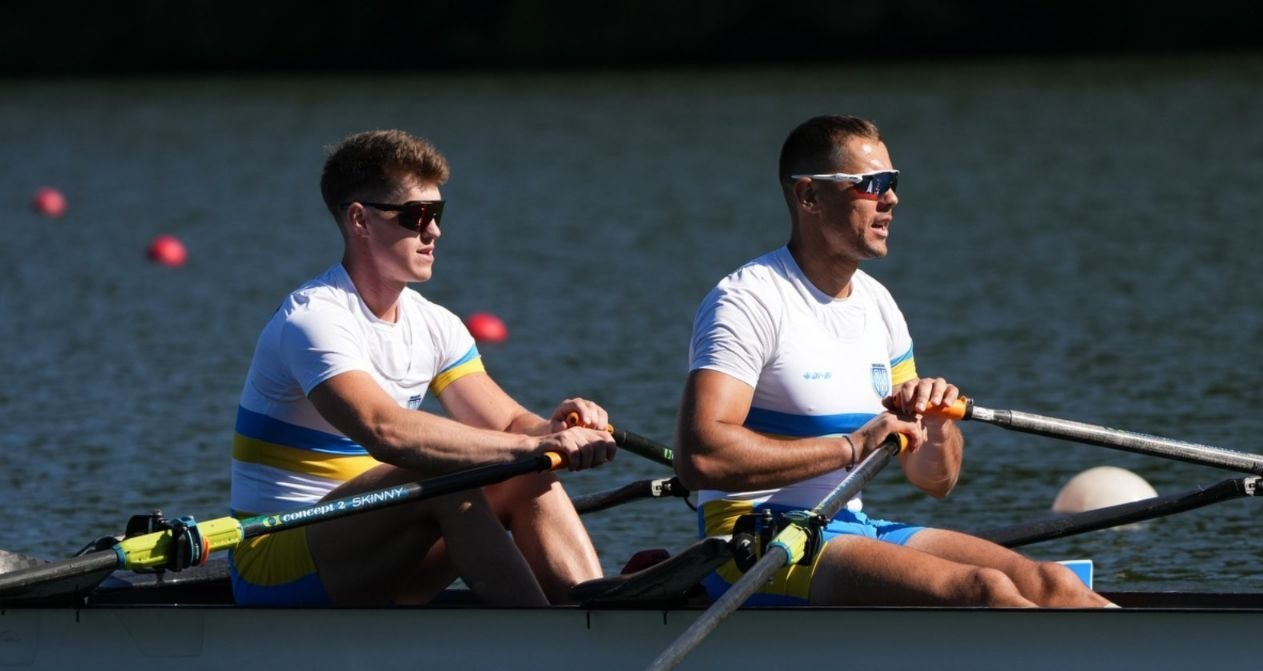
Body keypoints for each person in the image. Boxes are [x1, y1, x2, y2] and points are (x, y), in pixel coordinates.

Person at [674, 114, 1113, 608]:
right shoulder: (747, 301)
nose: (892, 198)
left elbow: (935, 480)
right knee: (983, 590)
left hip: (851, 527)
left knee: (1056, 585)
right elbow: (701, 457)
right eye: (872, 184)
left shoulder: (879, 305)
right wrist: (851, 446)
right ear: (809, 197)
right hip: (751, 544)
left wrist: (938, 423)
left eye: (894, 182)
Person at [229, 129, 616, 607]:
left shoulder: (436, 324)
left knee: (526, 473)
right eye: (417, 216)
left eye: (438, 213)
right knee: (444, 470)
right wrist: (530, 446)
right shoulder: (313, 319)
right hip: (275, 562)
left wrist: (557, 429)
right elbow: (383, 430)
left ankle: (591, 610)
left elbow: (511, 425)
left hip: (372, 546)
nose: (434, 231)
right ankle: (547, 644)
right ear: (359, 220)